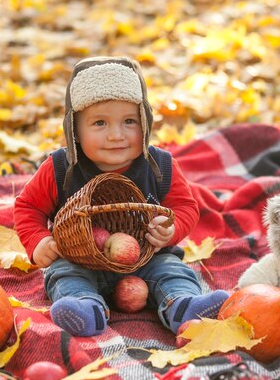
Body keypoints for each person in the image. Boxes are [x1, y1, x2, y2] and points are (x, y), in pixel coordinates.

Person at [13, 56, 229, 337]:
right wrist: (38, 241)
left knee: (172, 270)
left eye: (129, 121)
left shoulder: (159, 165)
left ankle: (183, 306)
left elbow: (185, 206)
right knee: (64, 275)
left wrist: (171, 230)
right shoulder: (61, 168)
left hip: (149, 257)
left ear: (146, 122)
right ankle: (85, 308)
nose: (116, 135)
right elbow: (27, 207)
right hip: (80, 259)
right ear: (74, 130)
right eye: (100, 123)